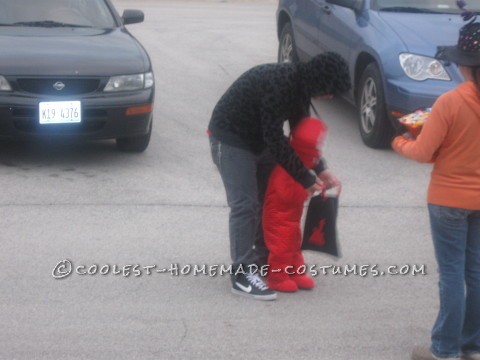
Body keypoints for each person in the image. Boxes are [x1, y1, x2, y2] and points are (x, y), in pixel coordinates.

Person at [208, 52, 350, 301]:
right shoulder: (280, 82)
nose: (329, 96)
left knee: (267, 202)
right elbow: (275, 138)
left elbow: (300, 136)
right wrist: (305, 178)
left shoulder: (301, 88)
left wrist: (320, 168)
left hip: (261, 139)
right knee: (245, 205)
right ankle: (242, 275)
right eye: (330, 90)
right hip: (232, 140)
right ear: (320, 80)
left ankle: (266, 261)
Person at [392, 21, 480, 360]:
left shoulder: (450, 102)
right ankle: (472, 344)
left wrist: (399, 140)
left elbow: (423, 153)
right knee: (476, 271)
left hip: (448, 200)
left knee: (452, 276)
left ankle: (444, 349)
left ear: (465, 64)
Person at [263, 116, 329, 292]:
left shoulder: (300, 162)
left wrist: (311, 185)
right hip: (277, 217)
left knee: (294, 246)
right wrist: (306, 190)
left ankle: (296, 273)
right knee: (281, 248)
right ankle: (277, 278)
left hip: (291, 217)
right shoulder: (286, 167)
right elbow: (285, 193)